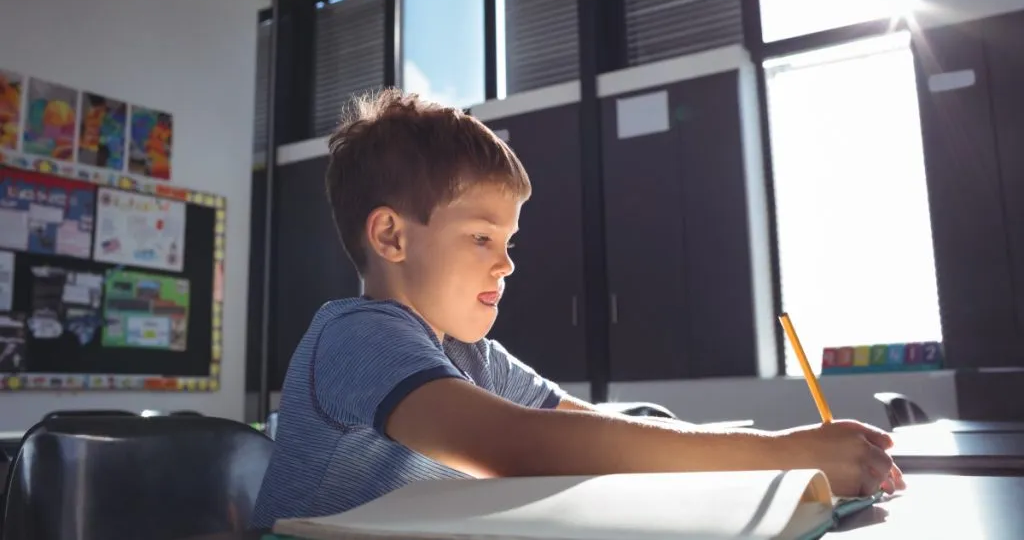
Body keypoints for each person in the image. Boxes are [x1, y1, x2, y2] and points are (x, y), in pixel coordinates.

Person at [250, 89, 904, 527]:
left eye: (508, 242)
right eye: (481, 237)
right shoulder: (355, 335)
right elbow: (518, 444)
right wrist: (784, 451)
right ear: (391, 235)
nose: (505, 263)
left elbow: (584, 427)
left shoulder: (473, 357)